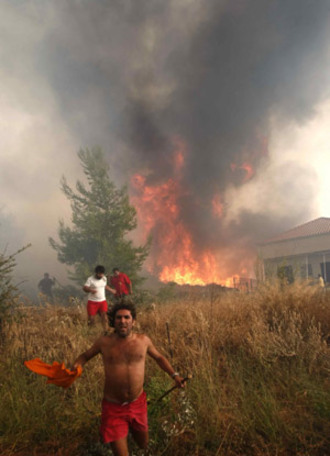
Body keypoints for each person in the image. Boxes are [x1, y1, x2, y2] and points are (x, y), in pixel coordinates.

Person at [73, 301, 186, 456]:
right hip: (113, 407)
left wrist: (175, 376)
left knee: (143, 445)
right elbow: (85, 356)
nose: (123, 321)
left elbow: (159, 357)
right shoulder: (104, 342)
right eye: (119, 318)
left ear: (134, 321)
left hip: (137, 403)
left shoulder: (143, 341)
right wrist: (77, 365)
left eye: (127, 317)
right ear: (113, 321)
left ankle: (129, 436)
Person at [83, 265, 116, 332]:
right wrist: (90, 290)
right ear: (96, 273)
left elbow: (104, 286)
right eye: (99, 274)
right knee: (91, 319)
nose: (101, 275)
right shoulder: (90, 279)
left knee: (104, 317)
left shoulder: (104, 278)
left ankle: (106, 331)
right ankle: (90, 332)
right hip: (92, 302)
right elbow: (85, 288)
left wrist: (111, 290)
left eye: (102, 273)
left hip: (102, 301)